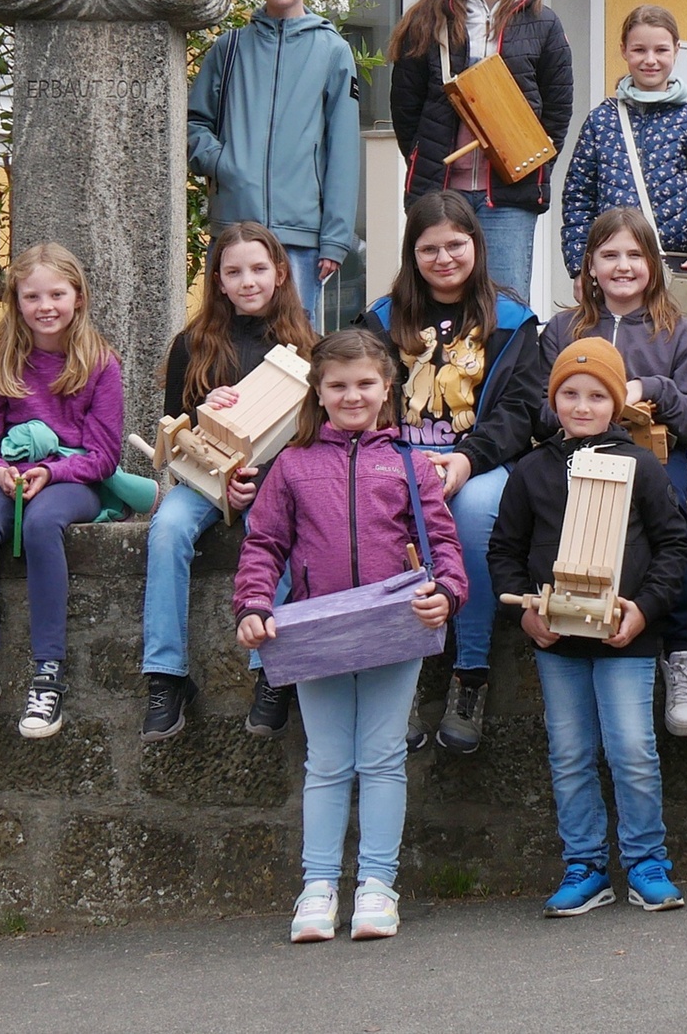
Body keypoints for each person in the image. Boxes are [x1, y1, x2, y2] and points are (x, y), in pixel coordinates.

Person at [234, 328, 466, 944]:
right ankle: (317, 889)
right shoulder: (292, 464)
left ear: (388, 388)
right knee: (330, 762)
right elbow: (264, 543)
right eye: (338, 385)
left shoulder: (411, 463)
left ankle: (377, 887)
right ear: (319, 390)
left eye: (365, 383)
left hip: (396, 625)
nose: (352, 395)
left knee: (384, 758)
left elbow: (442, 544)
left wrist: (447, 593)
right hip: (319, 631)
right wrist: (254, 603)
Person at [491, 337, 687, 916]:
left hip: (627, 637)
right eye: (570, 394)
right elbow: (503, 550)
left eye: (597, 395)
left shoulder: (641, 466)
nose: (582, 406)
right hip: (558, 642)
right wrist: (526, 613)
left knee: (632, 749)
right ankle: (585, 865)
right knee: (571, 752)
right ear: (553, 402)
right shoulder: (530, 471)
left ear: (616, 402)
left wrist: (645, 609)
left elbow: (674, 545)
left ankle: (648, 861)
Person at [359, 191, 544, 752]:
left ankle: (471, 674)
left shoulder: (512, 320)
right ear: (412, 254)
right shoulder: (381, 319)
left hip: (481, 462)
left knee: (470, 512)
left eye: (455, 245)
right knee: (376, 511)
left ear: (476, 245)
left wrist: (466, 460)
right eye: (429, 248)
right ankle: (401, 679)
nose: (444, 258)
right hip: (398, 456)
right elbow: (358, 397)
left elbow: (520, 411)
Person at [540, 209, 687, 736]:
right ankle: (570, 631)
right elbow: (541, 410)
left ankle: (680, 653)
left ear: (654, 264)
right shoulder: (562, 330)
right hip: (574, 460)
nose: (623, 266)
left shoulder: (679, 333)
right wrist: (592, 404)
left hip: (657, 463)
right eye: (609, 255)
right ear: (589, 265)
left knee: (671, 532)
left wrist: (655, 390)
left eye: (635, 255)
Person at [142, 221, 317, 742]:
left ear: (280, 273)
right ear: (217, 280)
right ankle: (165, 676)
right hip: (203, 482)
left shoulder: (309, 348)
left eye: (259, 269)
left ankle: (270, 674)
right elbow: (170, 446)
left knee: (282, 533)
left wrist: (258, 491)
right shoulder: (191, 344)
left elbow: (314, 440)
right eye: (234, 271)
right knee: (167, 529)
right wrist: (198, 414)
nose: (248, 281)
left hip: (277, 486)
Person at [0, 244, 130, 743]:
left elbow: (104, 456)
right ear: (16, 301)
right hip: (11, 476)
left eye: (57, 293)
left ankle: (48, 670)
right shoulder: (0, 362)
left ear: (79, 297)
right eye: (33, 296)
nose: (45, 306)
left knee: (41, 524)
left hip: (74, 480)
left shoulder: (99, 364)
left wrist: (51, 472)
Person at [387, 0, 574, 304]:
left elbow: (557, 113)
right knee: (435, 312)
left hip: (508, 200)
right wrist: (427, 157)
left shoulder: (543, 23)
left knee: (504, 311)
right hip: (440, 195)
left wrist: (522, 165)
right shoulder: (427, 19)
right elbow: (405, 109)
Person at [186, 0, 362, 314]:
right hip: (234, 231)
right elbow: (193, 123)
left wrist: (335, 238)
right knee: (226, 346)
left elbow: (343, 150)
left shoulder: (332, 51)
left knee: (293, 356)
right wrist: (224, 163)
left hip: (300, 239)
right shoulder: (228, 49)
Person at [558, 5, 687, 304]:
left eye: (661, 50)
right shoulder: (602, 121)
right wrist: (580, 266)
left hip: (678, 270)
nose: (650, 60)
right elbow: (578, 198)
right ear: (624, 51)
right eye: (639, 50)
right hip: (615, 272)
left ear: (676, 50)